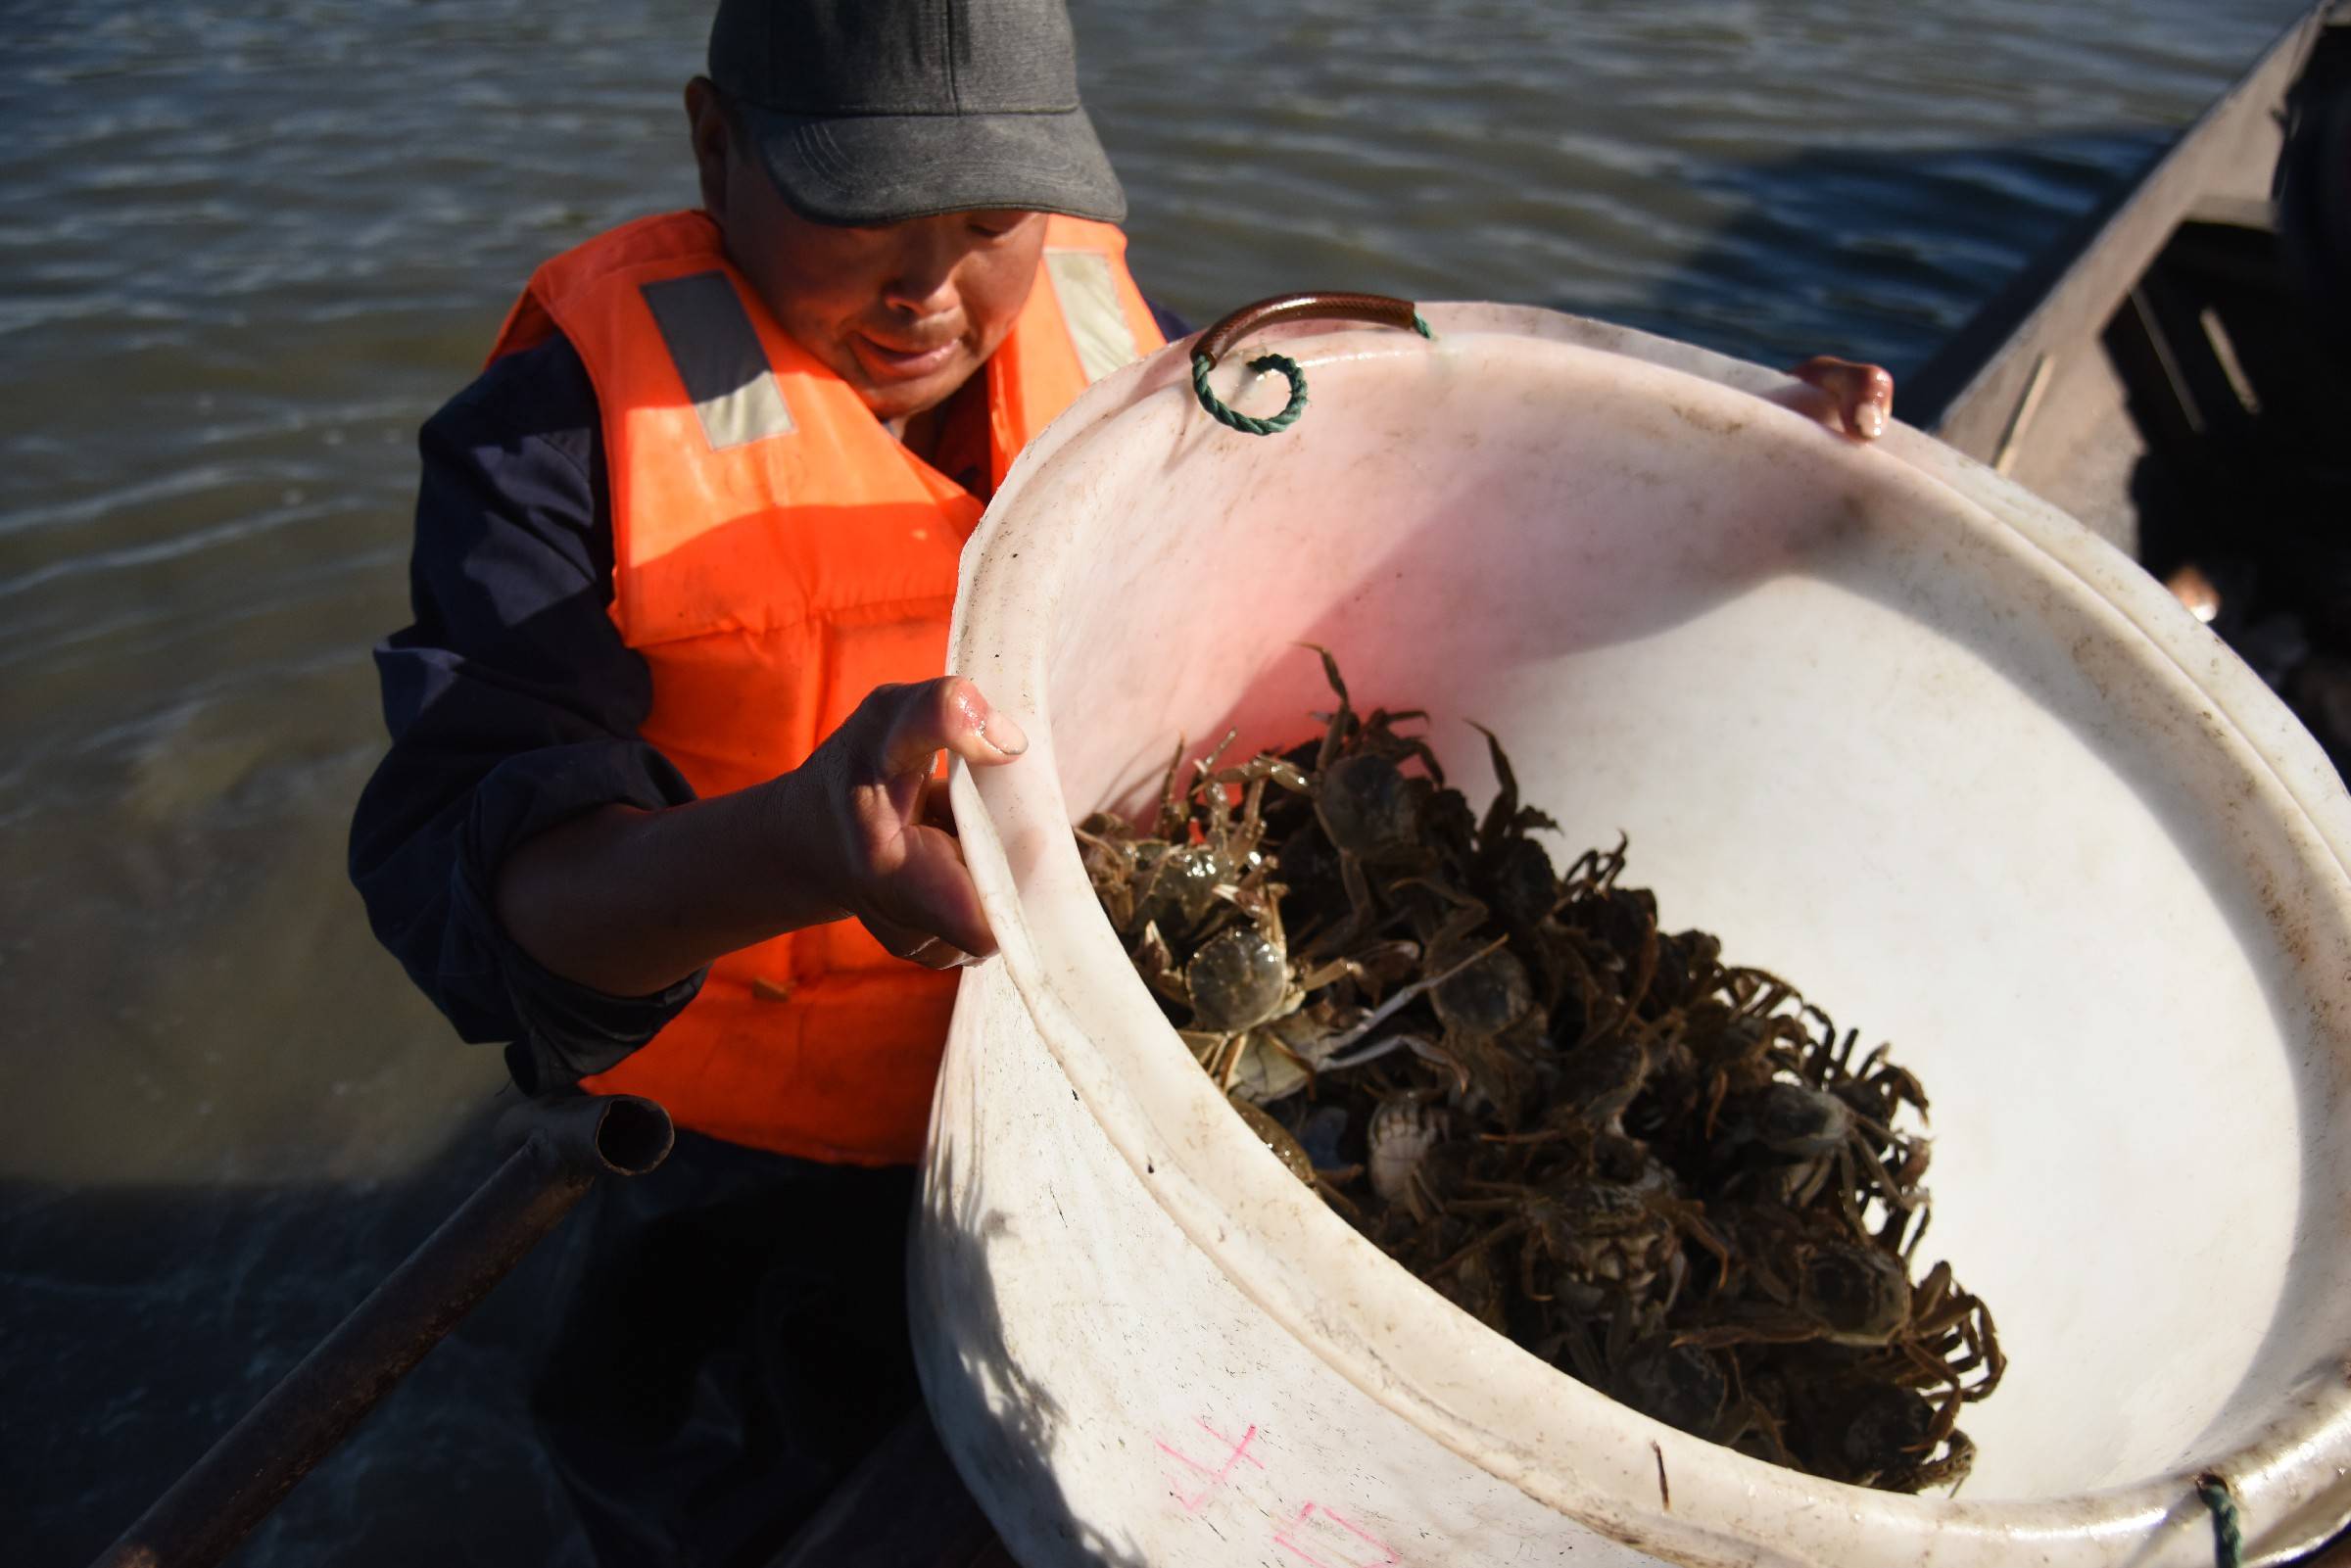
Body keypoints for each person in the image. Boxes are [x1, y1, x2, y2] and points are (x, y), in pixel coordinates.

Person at [348, 1, 1896, 1561]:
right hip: (741, 1172)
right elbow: (483, 897)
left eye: (989, 220)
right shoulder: (555, 440)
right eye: (857, 211)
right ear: (713, 144)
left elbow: (1397, 529)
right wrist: (800, 842)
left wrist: (1731, 468)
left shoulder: (1102, 341)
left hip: (1074, 1102)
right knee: (709, 1480)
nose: (929, 289)